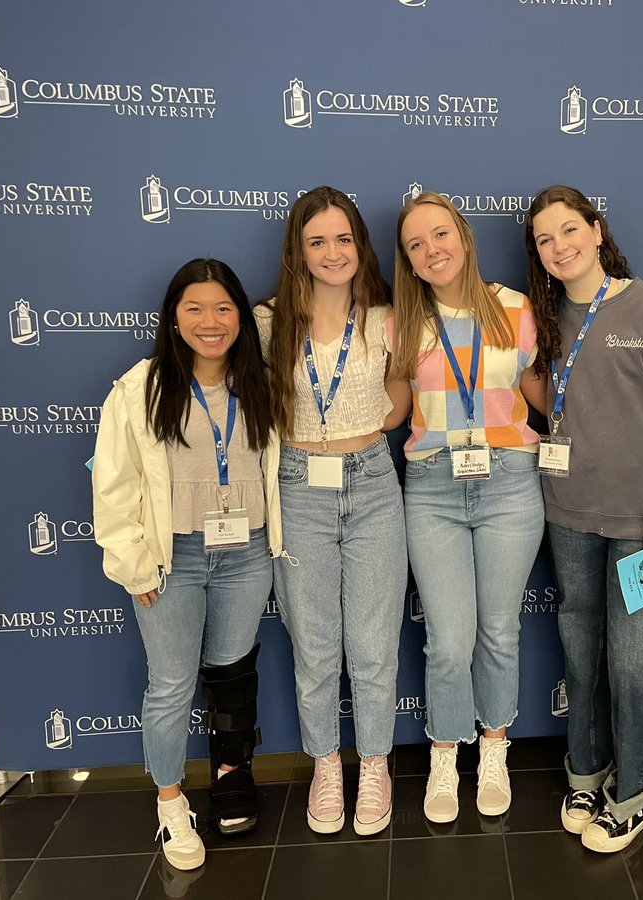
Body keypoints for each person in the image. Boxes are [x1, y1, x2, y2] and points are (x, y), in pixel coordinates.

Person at [525, 185, 643, 853]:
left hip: (641, 525)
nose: (560, 246)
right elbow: (556, 405)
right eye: (545, 239)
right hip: (568, 514)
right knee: (580, 655)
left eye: (569, 229)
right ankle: (587, 769)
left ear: (597, 230)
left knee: (632, 664)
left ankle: (636, 790)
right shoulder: (542, 320)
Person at [92, 258, 282, 871]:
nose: (210, 321)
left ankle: (231, 772)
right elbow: (114, 484)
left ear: (241, 318)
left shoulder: (260, 381)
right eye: (194, 308)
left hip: (246, 551)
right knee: (172, 685)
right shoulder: (140, 387)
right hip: (175, 558)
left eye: (223, 308)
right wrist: (132, 564)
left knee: (231, 672)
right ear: (173, 318)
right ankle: (171, 804)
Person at [255, 187, 409, 836]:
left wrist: (360, 429)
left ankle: (373, 763)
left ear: (359, 245)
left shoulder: (386, 319)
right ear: (298, 250)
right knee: (316, 648)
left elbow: (399, 399)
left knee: (373, 644)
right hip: (298, 487)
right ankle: (326, 764)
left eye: (343, 238)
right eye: (317, 241)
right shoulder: (267, 323)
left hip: (372, 481)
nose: (332, 252)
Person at [389, 190, 546, 823]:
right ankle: (444, 761)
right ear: (408, 259)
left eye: (440, 235)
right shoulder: (403, 321)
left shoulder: (516, 309)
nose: (432, 251)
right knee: (449, 641)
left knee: (498, 631)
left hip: (510, 482)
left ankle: (494, 753)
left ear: (465, 235)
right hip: (431, 487)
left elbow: (541, 396)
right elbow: (397, 411)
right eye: (416, 245)